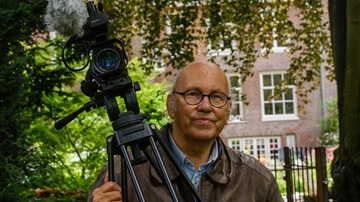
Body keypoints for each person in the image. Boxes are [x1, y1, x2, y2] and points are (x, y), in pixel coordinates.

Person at [88, 61, 283, 202]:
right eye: (193, 94)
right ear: (171, 106)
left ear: (227, 113)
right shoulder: (123, 173)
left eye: (216, 97)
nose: (206, 106)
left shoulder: (257, 181)